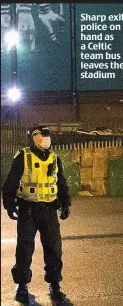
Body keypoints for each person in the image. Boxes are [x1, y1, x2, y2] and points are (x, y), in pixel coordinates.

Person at [2, 126, 72, 305]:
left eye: (48, 137)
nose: (47, 140)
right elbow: (11, 181)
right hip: (28, 209)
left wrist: (65, 204)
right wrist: (9, 204)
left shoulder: (55, 159)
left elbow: (61, 182)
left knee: (54, 249)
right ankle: (22, 285)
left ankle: (55, 285)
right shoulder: (23, 157)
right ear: (34, 138)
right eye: (43, 137)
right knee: (24, 250)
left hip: (49, 210)